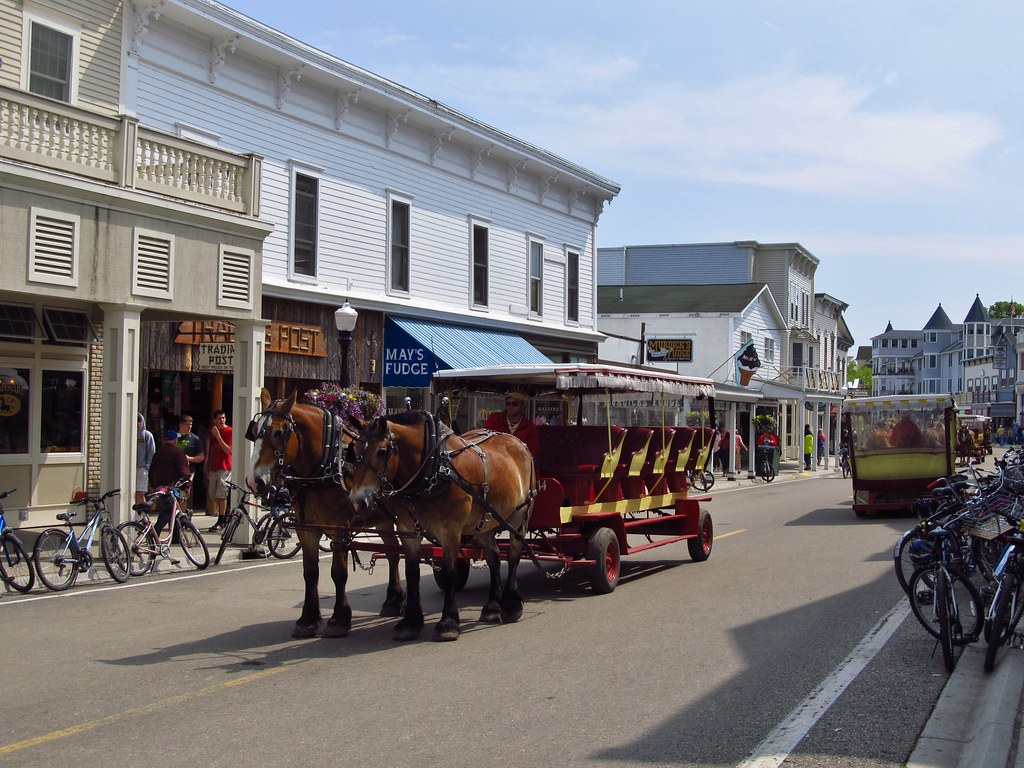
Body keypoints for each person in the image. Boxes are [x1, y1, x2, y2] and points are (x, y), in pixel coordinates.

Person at [149, 429, 189, 534]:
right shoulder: (178, 452)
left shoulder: (157, 453)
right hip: (172, 487)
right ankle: (156, 531)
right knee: (169, 511)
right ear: (174, 440)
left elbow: (151, 470)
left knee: (172, 510)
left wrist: (153, 485)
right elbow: (183, 470)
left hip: (159, 487)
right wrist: (186, 486)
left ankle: (176, 536)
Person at [483, 391, 539, 456]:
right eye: (508, 403)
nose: (511, 406)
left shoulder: (530, 427)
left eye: (514, 404)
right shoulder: (494, 418)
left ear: (522, 406)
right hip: (495, 460)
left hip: (517, 463)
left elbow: (531, 452)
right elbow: (485, 439)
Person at [206, 410, 233, 532]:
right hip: (214, 466)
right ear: (214, 420)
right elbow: (210, 449)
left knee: (222, 495)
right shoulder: (213, 432)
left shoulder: (229, 431)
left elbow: (227, 450)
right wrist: (207, 465)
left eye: (223, 418)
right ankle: (226, 512)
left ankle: (221, 520)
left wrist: (218, 436)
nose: (222, 420)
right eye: (219, 418)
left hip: (225, 466)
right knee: (212, 494)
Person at [176, 415, 204, 514]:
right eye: (187, 425)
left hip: (188, 471)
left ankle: (181, 517)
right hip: (174, 471)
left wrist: (189, 458)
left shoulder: (195, 439)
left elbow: (201, 457)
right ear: (180, 425)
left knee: (184, 494)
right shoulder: (174, 437)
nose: (189, 427)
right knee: (174, 495)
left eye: (191, 425)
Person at [136, 414, 156, 505]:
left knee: (139, 492)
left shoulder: (147, 435)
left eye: (140, 421)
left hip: (142, 468)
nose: (138, 423)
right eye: (136, 421)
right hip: (130, 468)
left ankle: (144, 515)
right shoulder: (128, 434)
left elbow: (151, 452)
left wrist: (147, 467)